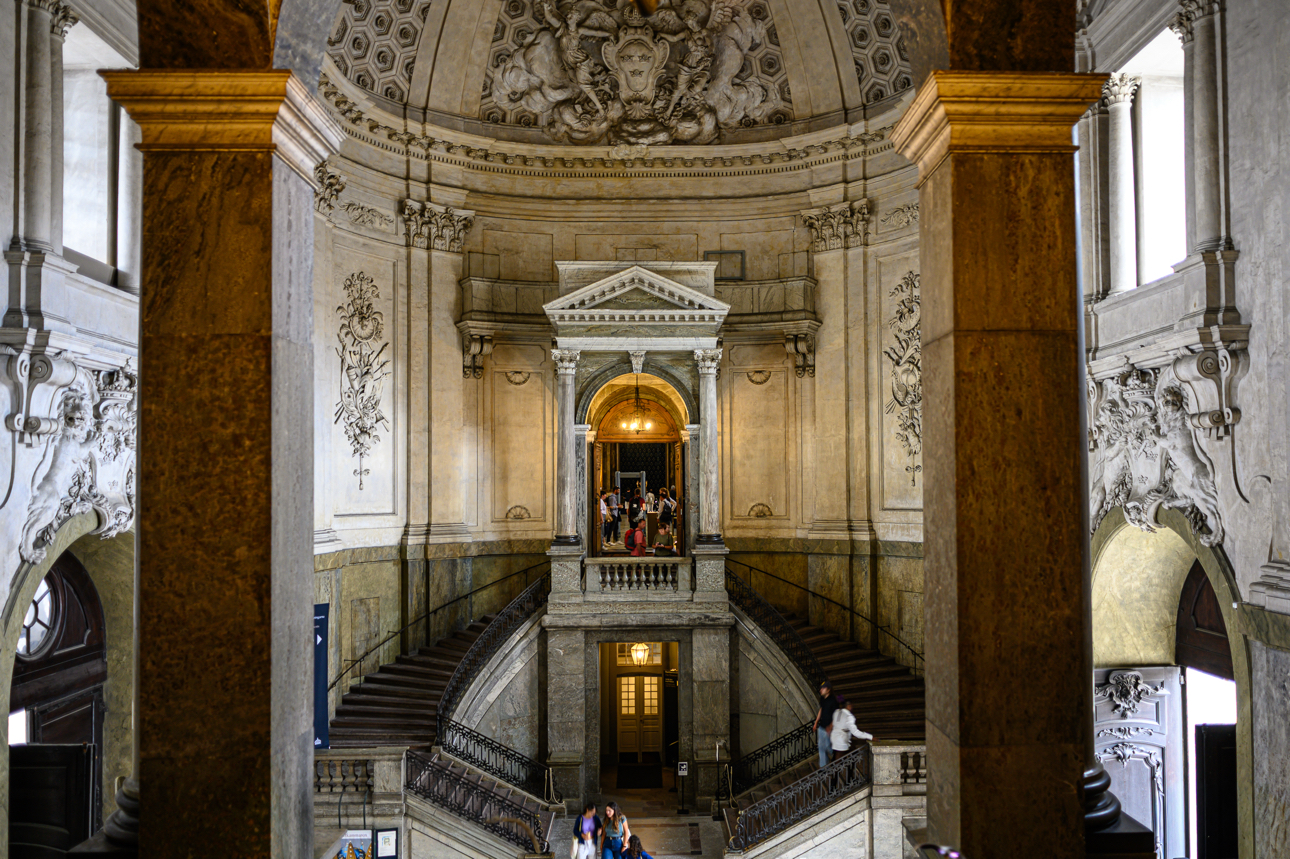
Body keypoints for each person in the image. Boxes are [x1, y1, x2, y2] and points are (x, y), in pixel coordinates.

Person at [813, 680, 839, 768]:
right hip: (822, 727)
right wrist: (816, 722)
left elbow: (836, 715)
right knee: (821, 747)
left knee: (828, 747)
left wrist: (831, 726)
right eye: (820, 688)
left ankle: (837, 757)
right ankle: (823, 767)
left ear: (828, 690)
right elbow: (821, 709)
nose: (821, 690)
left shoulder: (833, 701)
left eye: (823, 688)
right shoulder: (822, 699)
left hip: (830, 728)